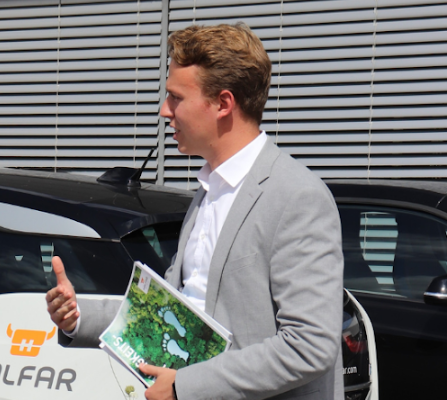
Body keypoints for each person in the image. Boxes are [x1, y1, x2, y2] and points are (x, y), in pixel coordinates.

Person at [46, 23, 344, 400]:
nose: (164, 111)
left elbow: (309, 346)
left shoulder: (298, 196)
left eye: (176, 98)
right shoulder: (208, 191)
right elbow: (176, 309)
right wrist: (79, 317)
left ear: (223, 104)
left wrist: (184, 387)